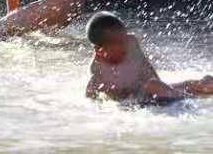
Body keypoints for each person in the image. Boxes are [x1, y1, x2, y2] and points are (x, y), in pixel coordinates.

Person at [85, 12, 213, 104]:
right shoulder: (98, 70)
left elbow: (146, 67)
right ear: (100, 50)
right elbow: (91, 96)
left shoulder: (131, 42)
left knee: (201, 84)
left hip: (151, 90)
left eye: (125, 39)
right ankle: (194, 100)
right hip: (136, 100)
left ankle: (199, 89)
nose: (125, 45)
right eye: (119, 43)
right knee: (152, 86)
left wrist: (161, 85)